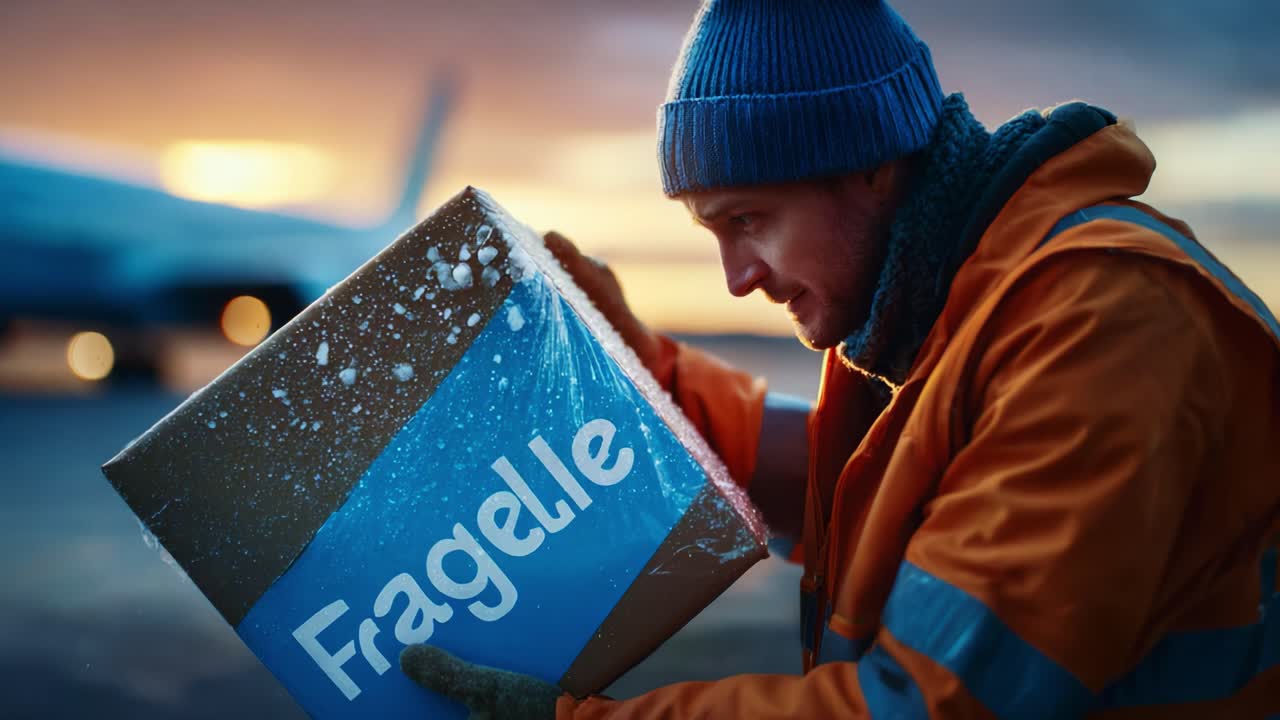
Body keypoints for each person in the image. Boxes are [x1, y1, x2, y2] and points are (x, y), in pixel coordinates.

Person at [401, 0, 1280, 717]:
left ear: (866, 167)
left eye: (749, 220)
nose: (737, 279)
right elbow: (842, 486)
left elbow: (926, 708)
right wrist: (633, 379)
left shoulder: (1106, 327)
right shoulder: (928, 310)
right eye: (713, 231)